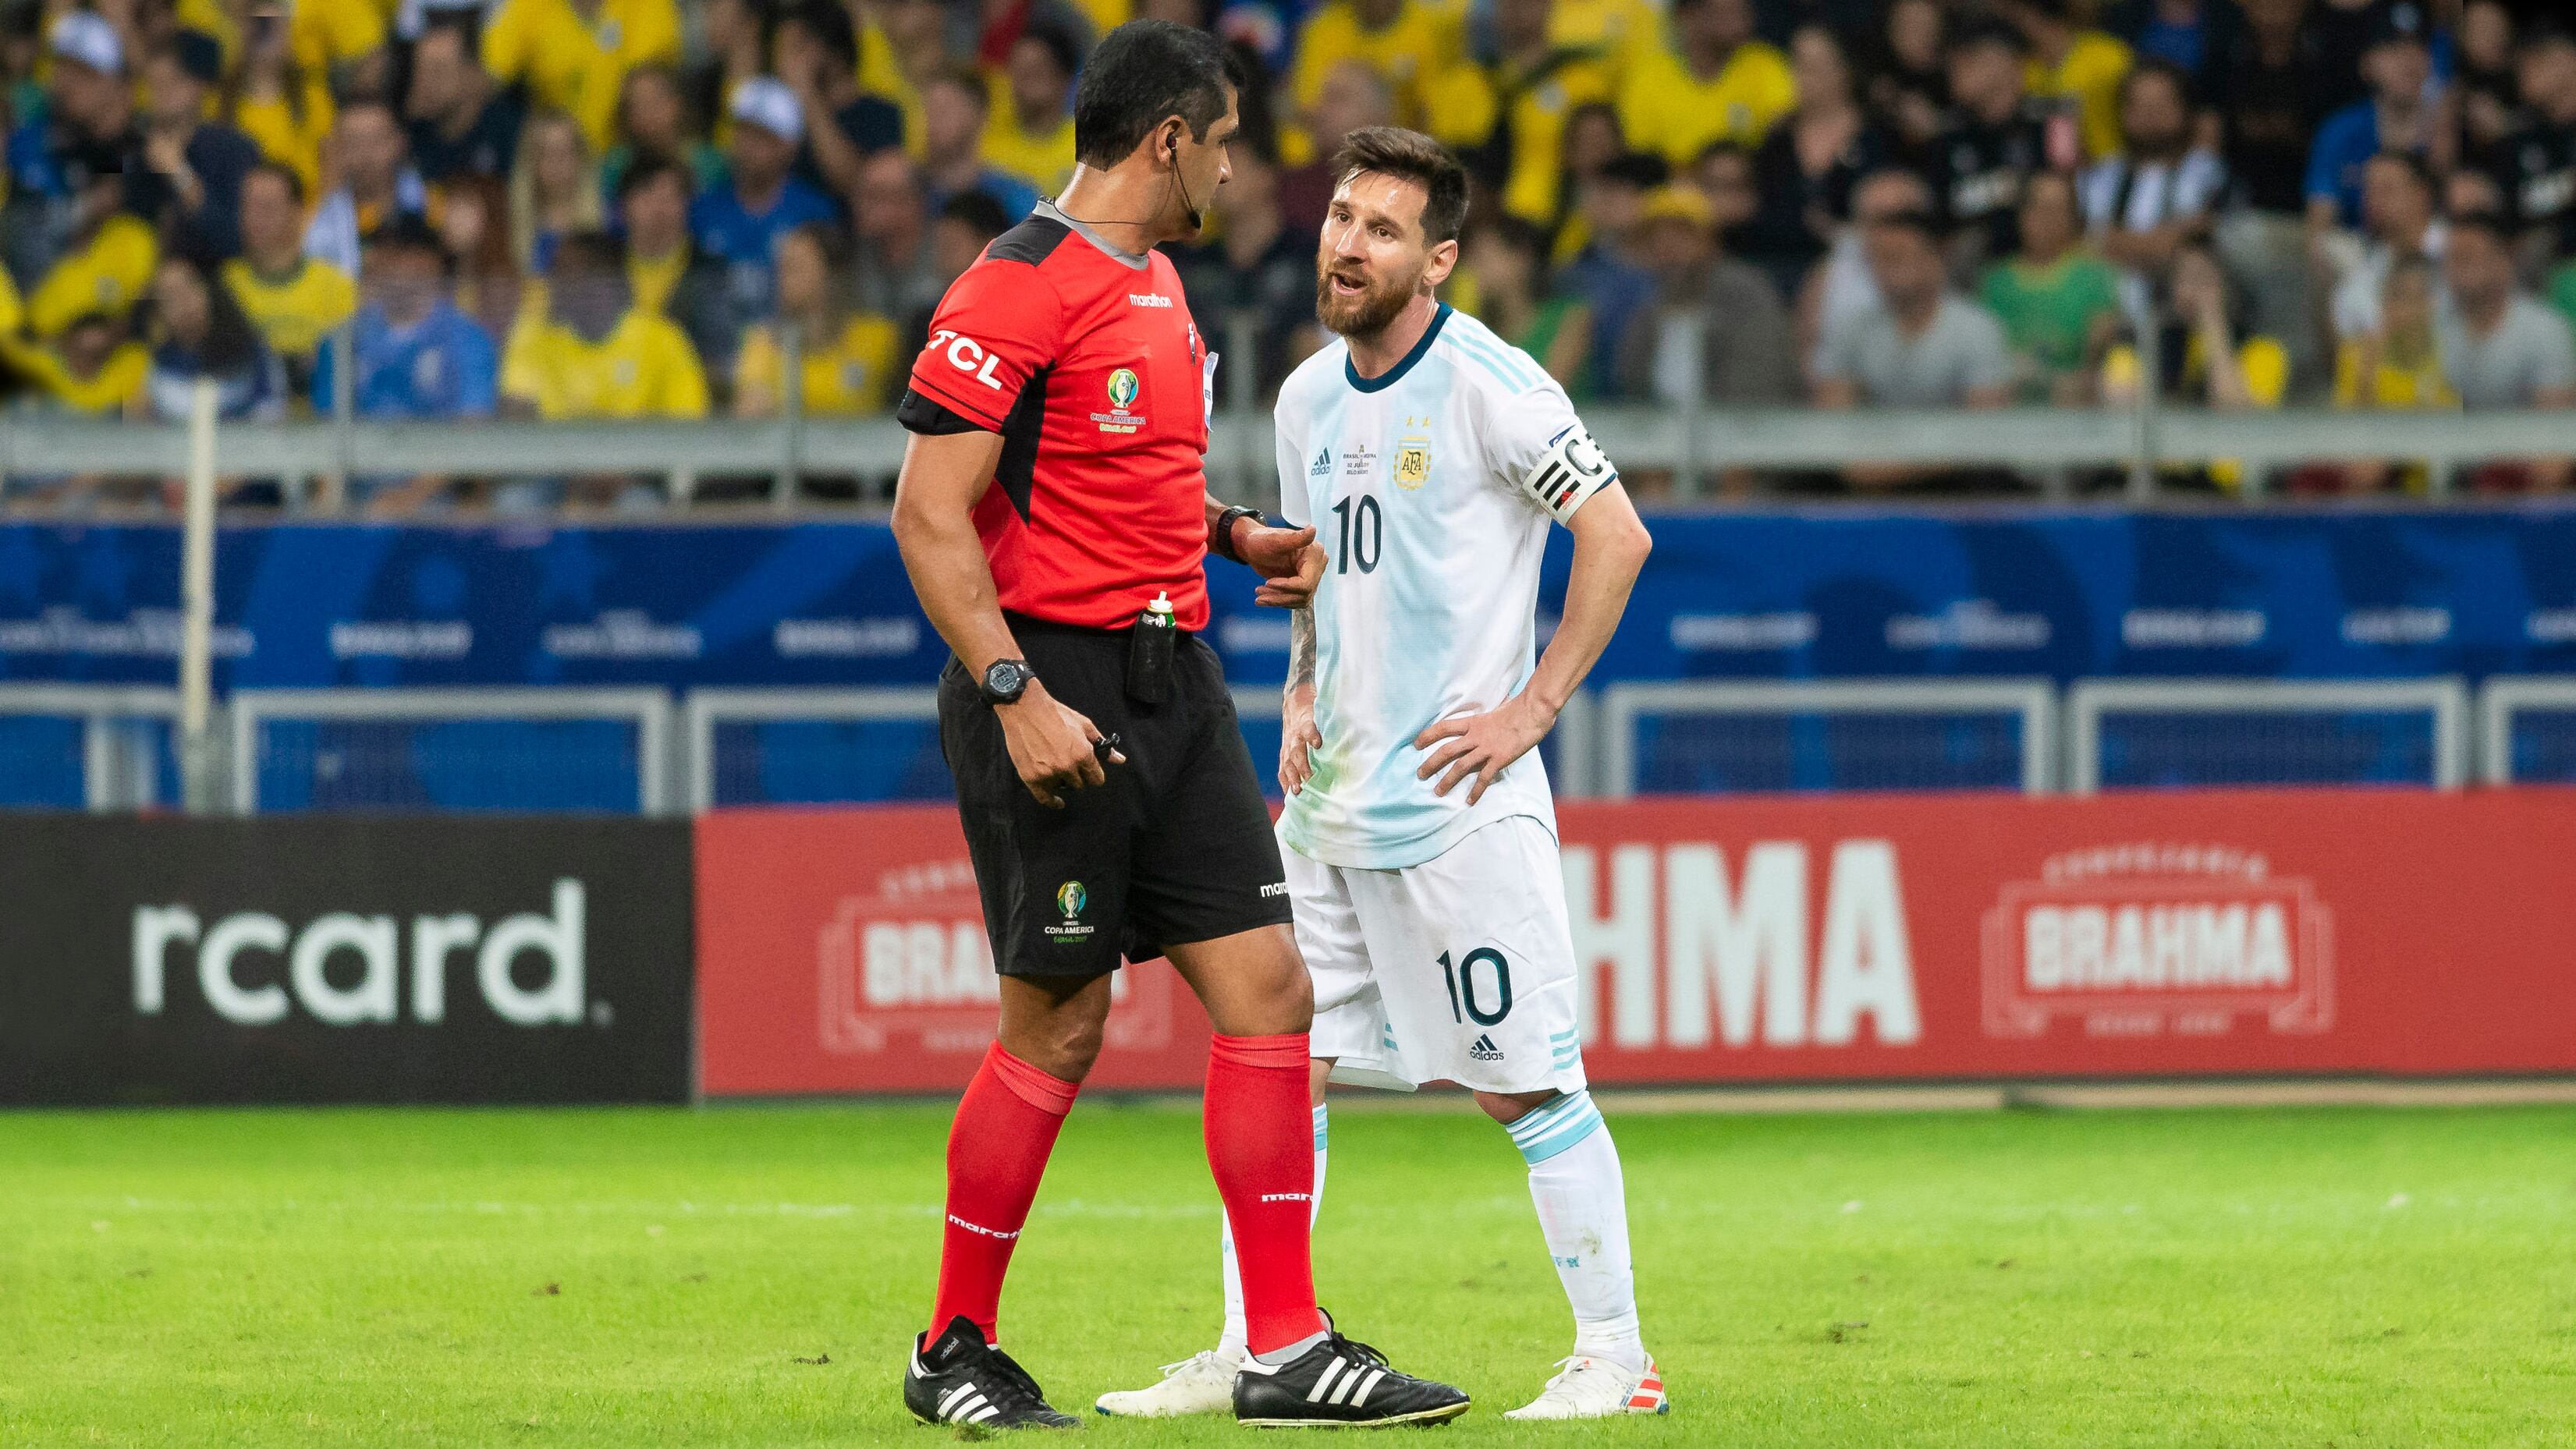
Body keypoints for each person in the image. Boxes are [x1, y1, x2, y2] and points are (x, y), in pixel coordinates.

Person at [887, 21, 1467, 1430]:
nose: (1227, 163)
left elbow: (1101, 478)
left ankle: (1283, 1341)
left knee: (1269, 989)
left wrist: (1224, 534)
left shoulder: (1151, 280)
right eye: (1216, 139)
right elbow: (926, 511)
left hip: (1176, 679)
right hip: (1055, 685)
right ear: (1167, 140)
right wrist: (1017, 697)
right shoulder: (1014, 283)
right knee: (1060, 1021)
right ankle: (951, 1345)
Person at [1097, 124, 1662, 1423]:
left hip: (1459, 808)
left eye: (1382, 228)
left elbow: (1616, 535)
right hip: (1329, 803)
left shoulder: (1491, 383)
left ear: (1439, 258)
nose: (1346, 243)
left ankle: (1615, 1354)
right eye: (1341, 217)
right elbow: (1312, 574)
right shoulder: (1301, 397)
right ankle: (1256, 1338)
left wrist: (1531, 707)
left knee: (1522, 1080)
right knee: (1273, 1061)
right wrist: (1301, 688)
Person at [499, 229, 707, 510]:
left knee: (639, 508)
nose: (552, 284)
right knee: (514, 504)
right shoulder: (533, 334)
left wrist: (626, 469)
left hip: (636, 477)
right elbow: (516, 416)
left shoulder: (663, 339)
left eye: (566, 273)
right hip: (555, 474)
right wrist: (577, 466)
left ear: (602, 282)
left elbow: (686, 427)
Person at [1811, 210, 2015, 488]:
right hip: (1865, 468)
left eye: (1898, 256)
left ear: (1934, 259)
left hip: (1953, 479)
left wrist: (1888, 473)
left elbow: (1985, 433)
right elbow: (1833, 417)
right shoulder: (1851, 328)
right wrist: (1860, 466)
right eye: (1877, 258)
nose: (1886, 267)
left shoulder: (1976, 329)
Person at [310, 218, 501, 514]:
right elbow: (326, 435)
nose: (400, 271)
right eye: (390, 259)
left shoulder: (467, 340)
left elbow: (470, 434)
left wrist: (409, 497)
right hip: (356, 497)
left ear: (434, 266)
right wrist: (328, 511)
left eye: (409, 259)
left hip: (439, 501)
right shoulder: (342, 340)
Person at [2099, 239, 2288, 490]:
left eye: (2205, 280)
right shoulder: (2142, 345)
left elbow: (2236, 414)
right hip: (2151, 482)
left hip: (2223, 494)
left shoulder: (2264, 351)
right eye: (2185, 279)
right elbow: (2120, 402)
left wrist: (2212, 321)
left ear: (2228, 288)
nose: (2195, 291)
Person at [1613, 182, 1797, 406]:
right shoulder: (1647, 297)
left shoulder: (1745, 291)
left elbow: (1757, 380)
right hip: (1660, 433)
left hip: (1745, 428)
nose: (1667, 245)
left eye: (1681, 234)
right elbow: (1632, 381)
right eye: (1656, 236)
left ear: (1709, 240)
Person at [2434, 211, 2576, 490]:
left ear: (2503, 263)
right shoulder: (2432, 329)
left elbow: (2555, 436)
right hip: (2454, 464)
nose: (2457, 268)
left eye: (2468, 257)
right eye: (2452, 259)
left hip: (2523, 468)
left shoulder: (2543, 329)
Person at [1928, 13, 2080, 266]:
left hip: (2045, 261)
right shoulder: (1948, 133)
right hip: (1973, 264)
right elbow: (1943, 208)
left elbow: (2064, 192)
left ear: (2003, 62)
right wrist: (2013, 185)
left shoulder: (2057, 121)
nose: (1952, 69)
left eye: (1967, 59)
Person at [1743, 23, 1885, 295]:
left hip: (1861, 274)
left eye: (1813, 67)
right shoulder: (1776, 143)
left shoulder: (1877, 140)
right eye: (1797, 63)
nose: (1801, 76)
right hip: (1777, 269)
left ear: (1843, 71)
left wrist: (1844, 233)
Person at [1171, 152, 1320, 399]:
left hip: (1290, 417)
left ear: (1267, 174)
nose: (1220, 174)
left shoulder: (1308, 258)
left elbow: (1316, 348)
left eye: (1233, 161)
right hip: (1208, 418)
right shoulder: (1195, 266)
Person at [690, 77, 839, 323]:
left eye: (762, 136)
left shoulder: (814, 211)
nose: (747, 145)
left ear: (789, 146)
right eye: (742, 131)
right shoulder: (704, 209)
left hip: (789, 339)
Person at [733, 220, 899, 417]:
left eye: (795, 267)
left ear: (831, 273)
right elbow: (748, 413)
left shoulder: (879, 337)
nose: (783, 280)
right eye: (781, 269)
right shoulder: (763, 342)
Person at [2080, 58, 2224, 284]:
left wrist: (2123, 244)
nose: (2151, 115)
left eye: (2162, 104)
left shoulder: (2207, 172)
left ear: (2186, 110)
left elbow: (2205, 236)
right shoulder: (2103, 175)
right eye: (2140, 105)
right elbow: (2088, 243)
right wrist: (2168, 238)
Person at [1982, 168, 2122, 402]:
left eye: (2059, 210)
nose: (2048, 219)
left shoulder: (2095, 277)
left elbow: (2100, 360)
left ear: (2073, 218)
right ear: (2022, 215)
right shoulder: (1995, 282)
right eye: (2039, 208)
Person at [224, 163, 357, 398]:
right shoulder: (224, 286)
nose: (255, 218)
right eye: (248, 206)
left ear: (297, 212)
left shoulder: (336, 287)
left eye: (267, 208)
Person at [479, 0, 683, 153]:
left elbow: (650, 89)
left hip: (630, 158)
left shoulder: (646, 5)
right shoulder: (530, 6)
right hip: (558, 160)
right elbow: (487, 73)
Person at [2303, 6, 2439, 235]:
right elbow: (2319, 227)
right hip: (2356, 253)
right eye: (2392, 48)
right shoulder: (2340, 129)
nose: (2408, 59)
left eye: (2418, 46)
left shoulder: (2445, 129)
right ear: (2366, 64)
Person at [1616, 0, 1795, 172]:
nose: (1739, 23)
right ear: (1687, 15)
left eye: (1742, 11)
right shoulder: (1648, 77)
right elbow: (1640, 157)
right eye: (1725, 13)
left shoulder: (1765, 64)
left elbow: (1786, 129)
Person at [130, 29, 262, 262]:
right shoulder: (136, 147)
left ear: (200, 86)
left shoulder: (232, 149)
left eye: (173, 81)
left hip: (216, 278)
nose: (162, 94)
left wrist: (179, 174)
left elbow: (236, 240)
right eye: (155, 84)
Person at [616, 158, 741, 388]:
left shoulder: (711, 271)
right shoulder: (606, 268)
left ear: (687, 205)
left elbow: (721, 352)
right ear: (624, 206)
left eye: (670, 198)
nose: (659, 209)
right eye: (647, 196)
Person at [2333, 253, 2453, 493]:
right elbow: (2350, 428)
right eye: (2398, 297)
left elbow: (2447, 424)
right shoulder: (2356, 353)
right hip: (2377, 469)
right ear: (2384, 302)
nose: (2407, 309)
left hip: (2434, 470)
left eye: (2417, 298)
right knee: (2364, 466)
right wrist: (2368, 372)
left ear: (2432, 303)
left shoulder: (2451, 354)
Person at [775, 0, 905, 201]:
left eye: (797, 49)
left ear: (834, 48)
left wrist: (808, 94)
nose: (785, 64)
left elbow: (855, 185)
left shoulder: (881, 114)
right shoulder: (786, 120)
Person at [1460, 215, 1592, 393]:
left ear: (1521, 257)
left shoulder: (1571, 317)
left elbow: (1547, 393)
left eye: (1482, 257)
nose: (1473, 267)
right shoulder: (1477, 332)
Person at [302, 101, 429, 278]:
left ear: (399, 142)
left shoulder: (433, 207)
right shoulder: (315, 216)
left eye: (375, 141)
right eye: (354, 142)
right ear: (338, 148)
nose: (365, 154)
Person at [2483, 23, 2576, 263]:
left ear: (2567, 61)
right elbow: (2517, 205)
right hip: (2551, 264)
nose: (2521, 74)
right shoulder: (2519, 138)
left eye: (2535, 62)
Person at [2329, 151, 2443, 342]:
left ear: (2422, 194)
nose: (2373, 199)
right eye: (2369, 190)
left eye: (2387, 189)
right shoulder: (2360, 278)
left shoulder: (2459, 250)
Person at [2007, 0, 2134, 161]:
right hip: (2055, 172)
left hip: (2116, 162)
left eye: (2019, 17)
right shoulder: (2024, 70)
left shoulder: (2107, 55)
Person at [403, 17, 525, 187]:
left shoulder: (512, 134)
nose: (423, 82)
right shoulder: (411, 136)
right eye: (419, 70)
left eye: (438, 71)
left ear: (474, 74)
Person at [917, 64, 1040, 222]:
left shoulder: (1013, 196)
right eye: (930, 111)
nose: (934, 121)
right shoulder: (911, 195)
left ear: (979, 115)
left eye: (945, 110)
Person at [982, 14, 1083, 195]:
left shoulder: (1089, 151)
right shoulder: (989, 150)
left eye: (1037, 71)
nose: (1026, 82)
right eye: (1019, 71)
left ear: (1064, 76)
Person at [509, 108, 602, 275]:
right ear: (531, 163)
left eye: (565, 152)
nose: (557, 163)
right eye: (547, 153)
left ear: (581, 158)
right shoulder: (509, 228)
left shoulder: (609, 221)